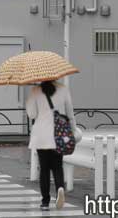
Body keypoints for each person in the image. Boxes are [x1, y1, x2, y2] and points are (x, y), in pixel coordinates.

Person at [26, 80, 77, 211]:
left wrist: (29, 101)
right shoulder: (63, 88)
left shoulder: (35, 91)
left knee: (44, 169)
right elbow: (70, 113)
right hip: (58, 134)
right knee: (57, 166)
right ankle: (60, 187)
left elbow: (32, 114)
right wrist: (72, 131)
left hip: (41, 135)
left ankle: (45, 201)